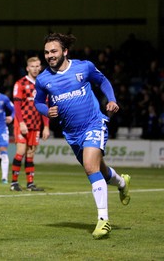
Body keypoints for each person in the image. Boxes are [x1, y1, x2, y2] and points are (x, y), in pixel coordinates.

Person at [34, 32, 131, 240]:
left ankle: (103, 221)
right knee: (100, 171)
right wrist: (46, 111)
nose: (49, 55)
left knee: (90, 167)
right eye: (46, 52)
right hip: (72, 133)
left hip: (94, 123)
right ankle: (122, 183)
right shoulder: (42, 80)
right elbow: (38, 102)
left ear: (65, 52)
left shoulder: (83, 67)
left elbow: (103, 81)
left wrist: (112, 99)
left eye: (53, 51)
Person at [10, 57, 50, 192]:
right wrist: (21, 123)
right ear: (27, 68)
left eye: (37, 66)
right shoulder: (20, 83)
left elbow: (45, 106)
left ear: (40, 67)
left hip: (35, 124)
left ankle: (30, 184)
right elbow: (17, 106)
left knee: (31, 154)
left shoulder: (42, 85)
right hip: (22, 124)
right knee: (20, 151)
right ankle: (14, 183)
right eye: (32, 66)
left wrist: (46, 126)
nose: (35, 68)